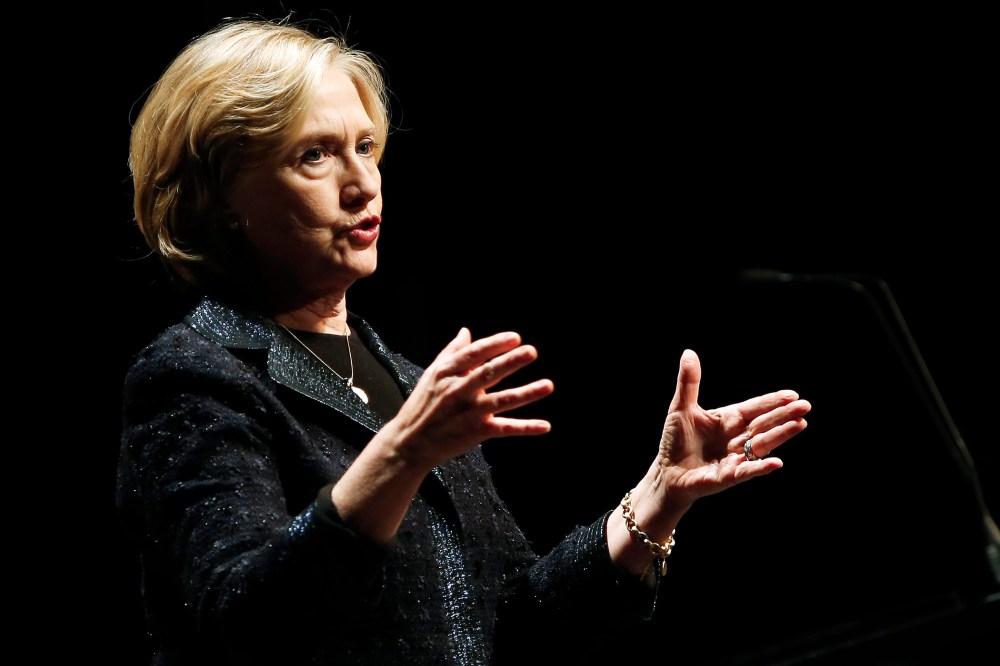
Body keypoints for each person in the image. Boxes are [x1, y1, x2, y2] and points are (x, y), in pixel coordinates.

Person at [116, 15, 813, 666]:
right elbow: (247, 622)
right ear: (220, 198)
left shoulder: (412, 383)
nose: (363, 185)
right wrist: (402, 454)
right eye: (315, 155)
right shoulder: (194, 377)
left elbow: (515, 630)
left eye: (366, 147)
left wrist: (655, 500)